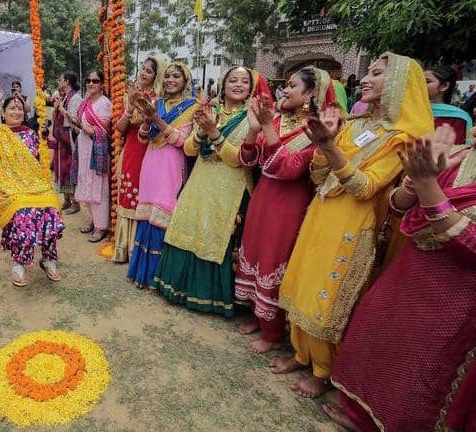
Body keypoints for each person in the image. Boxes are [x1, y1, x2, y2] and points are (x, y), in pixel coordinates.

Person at [273, 52, 434, 398]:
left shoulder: (401, 138)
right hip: (321, 212)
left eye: (376, 74)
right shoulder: (356, 124)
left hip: (353, 222)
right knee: (304, 282)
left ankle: (322, 371)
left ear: (398, 84)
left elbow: (365, 188)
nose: (365, 78)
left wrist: (330, 148)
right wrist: (323, 148)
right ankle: (300, 354)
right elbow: (320, 177)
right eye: (369, 72)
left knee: (326, 295)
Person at [325, 127, 475, 431]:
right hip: (410, 272)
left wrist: (427, 185)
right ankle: (364, 417)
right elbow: (397, 206)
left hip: (457, 296)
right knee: (383, 342)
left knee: (424, 369)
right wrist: (413, 183)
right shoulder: (460, 154)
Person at [235, 66, 336, 353]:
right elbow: (248, 160)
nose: (285, 90)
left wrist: (266, 127)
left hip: (288, 204)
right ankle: (257, 316)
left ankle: (273, 333)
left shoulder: (318, 129)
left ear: (310, 93)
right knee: (255, 252)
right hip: (263, 197)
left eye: (292, 86)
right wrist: (254, 129)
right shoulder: (279, 120)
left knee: (273, 258)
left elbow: (289, 169)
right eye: (286, 85)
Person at [152, 66, 268, 316]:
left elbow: (238, 160)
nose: (238, 85)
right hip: (200, 180)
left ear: (251, 88)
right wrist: (203, 131)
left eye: (244, 82)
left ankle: (208, 296)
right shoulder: (210, 112)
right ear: (223, 85)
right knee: (188, 226)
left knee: (215, 233)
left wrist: (214, 133)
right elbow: (189, 150)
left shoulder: (252, 118)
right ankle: (177, 288)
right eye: (233, 80)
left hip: (230, 185)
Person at [0, 96, 64, 287]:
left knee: (51, 206)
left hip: (35, 184)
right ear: (3, 112)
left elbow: (45, 163)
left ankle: (48, 258)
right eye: (12, 108)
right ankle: (19, 263)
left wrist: (49, 139)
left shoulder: (32, 134)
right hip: (10, 187)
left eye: (20, 109)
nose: (16, 112)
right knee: (24, 211)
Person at [126, 62, 198, 289]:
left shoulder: (192, 107)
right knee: (147, 214)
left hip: (172, 165)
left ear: (186, 81)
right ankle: (140, 273)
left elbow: (182, 141)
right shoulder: (157, 103)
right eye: (167, 76)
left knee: (163, 213)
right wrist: (148, 121)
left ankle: (157, 278)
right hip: (151, 162)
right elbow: (142, 138)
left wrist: (156, 119)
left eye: (176, 76)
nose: (170, 80)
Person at [112, 56, 166, 263]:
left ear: (156, 77)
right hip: (132, 150)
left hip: (151, 150)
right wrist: (129, 109)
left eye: (149, 71)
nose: (143, 73)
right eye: (143, 69)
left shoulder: (159, 100)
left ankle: (139, 249)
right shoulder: (131, 95)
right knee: (128, 192)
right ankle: (123, 248)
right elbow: (120, 128)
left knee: (144, 194)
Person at [72, 69, 113, 243]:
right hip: (83, 149)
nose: (90, 83)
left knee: (98, 188)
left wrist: (82, 126)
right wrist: (76, 124)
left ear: (102, 84)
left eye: (95, 81)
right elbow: (80, 125)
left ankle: (101, 226)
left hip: (98, 152)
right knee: (86, 185)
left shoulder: (105, 103)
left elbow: (102, 132)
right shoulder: (86, 102)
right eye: (88, 80)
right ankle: (92, 219)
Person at [50, 71, 83, 213]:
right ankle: (67, 199)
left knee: (70, 168)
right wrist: (57, 108)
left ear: (67, 81)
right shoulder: (64, 97)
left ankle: (76, 202)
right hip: (61, 138)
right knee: (61, 168)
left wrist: (61, 109)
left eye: (60, 80)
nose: (58, 82)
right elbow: (56, 117)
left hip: (69, 139)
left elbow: (74, 120)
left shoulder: (75, 98)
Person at [425, 65, 473, 145]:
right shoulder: (409, 112)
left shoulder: (460, 117)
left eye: (427, 81)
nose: (420, 84)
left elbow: (460, 148)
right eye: (419, 81)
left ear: (444, 86)